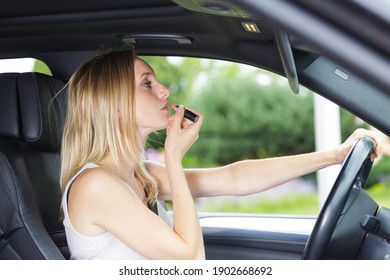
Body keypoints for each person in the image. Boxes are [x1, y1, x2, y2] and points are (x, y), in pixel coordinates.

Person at [60, 46, 383, 260]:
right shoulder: (95, 185)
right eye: (147, 84)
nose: (164, 90)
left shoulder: (139, 173)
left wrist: (334, 155)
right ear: (114, 106)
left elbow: (233, 178)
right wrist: (173, 158)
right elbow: (189, 258)